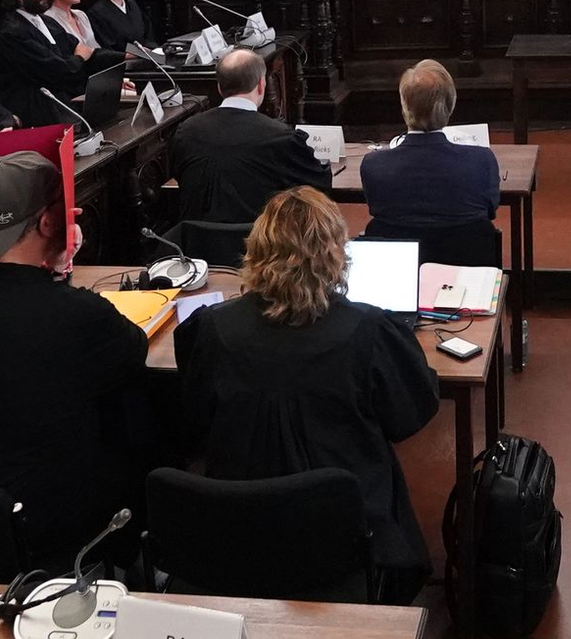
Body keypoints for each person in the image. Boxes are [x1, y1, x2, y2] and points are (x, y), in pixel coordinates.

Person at [175, 186, 440, 601]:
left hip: (238, 525)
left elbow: (195, 419)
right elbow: (409, 415)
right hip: (342, 528)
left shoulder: (212, 328)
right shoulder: (369, 331)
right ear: (336, 254)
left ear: (256, 249)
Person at [0, 150, 149, 570]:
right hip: (56, 527)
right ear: (48, 223)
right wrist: (61, 269)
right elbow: (133, 349)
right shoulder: (80, 316)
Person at [169, 47, 332, 223]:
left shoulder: (186, 131)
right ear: (261, 85)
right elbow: (319, 184)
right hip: (259, 239)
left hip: (195, 238)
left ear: (219, 87)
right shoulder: (280, 137)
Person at [361, 58, 499, 234]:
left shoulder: (374, 166)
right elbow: (490, 210)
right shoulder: (482, 161)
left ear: (404, 106)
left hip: (402, 252)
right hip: (465, 252)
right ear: (450, 105)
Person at [0, 0, 124, 127]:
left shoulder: (46, 21)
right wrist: (79, 58)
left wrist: (126, 57)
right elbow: (57, 70)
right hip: (38, 110)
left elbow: (87, 51)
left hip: (64, 99)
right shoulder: (10, 32)